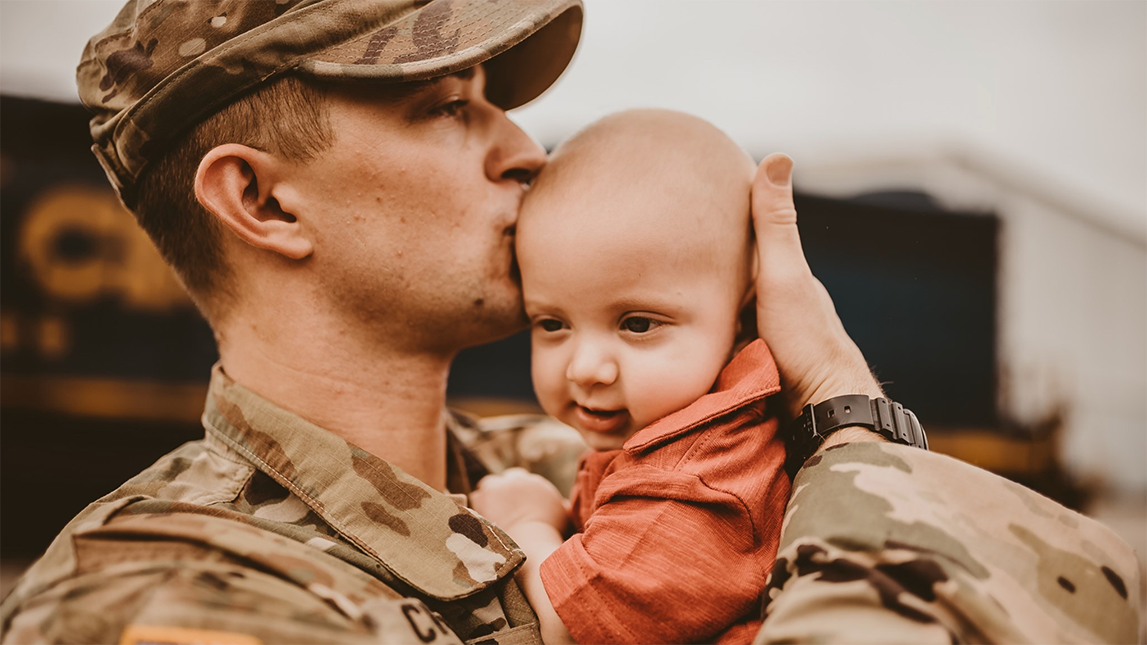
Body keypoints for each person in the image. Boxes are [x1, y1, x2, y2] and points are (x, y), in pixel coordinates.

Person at [0, 0, 1138, 643]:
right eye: (446, 106)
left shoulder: (573, 458)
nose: (525, 148)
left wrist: (832, 384)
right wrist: (841, 434)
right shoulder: (160, 602)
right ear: (261, 200)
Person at [470, 109, 790, 645]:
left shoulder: (693, 482)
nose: (585, 368)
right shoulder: (679, 436)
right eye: (553, 323)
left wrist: (529, 521)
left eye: (637, 324)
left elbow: (574, 628)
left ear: (743, 315)